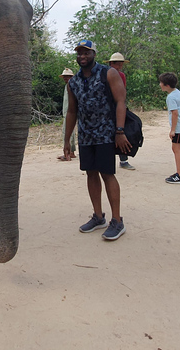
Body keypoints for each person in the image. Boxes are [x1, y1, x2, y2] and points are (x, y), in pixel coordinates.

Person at [64, 40, 132, 241]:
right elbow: (71, 111)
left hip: (106, 134)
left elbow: (121, 101)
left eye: (86, 52)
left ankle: (117, 221)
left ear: (93, 53)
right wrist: (67, 140)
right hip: (86, 136)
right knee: (90, 174)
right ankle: (98, 216)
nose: (82, 56)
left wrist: (119, 131)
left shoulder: (108, 73)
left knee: (107, 174)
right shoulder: (73, 82)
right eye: (79, 53)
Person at [159, 72, 180, 184]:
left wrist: (173, 129)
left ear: (167, 85)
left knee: (176, 149)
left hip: (178, 126)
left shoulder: (171, 97)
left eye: (161, 83)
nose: (160, 85)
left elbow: (175, 113)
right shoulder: (177, 92)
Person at [108, 52, 135, 171]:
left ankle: (123, 160)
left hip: (117, 106)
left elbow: (122, 94)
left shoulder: (121, 76)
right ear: (111, 64)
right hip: (107, 107)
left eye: (120, 65)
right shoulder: (105, 74)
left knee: (122, 130)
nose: (119, 67)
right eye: (117, 64)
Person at [56, 68, 77, 161]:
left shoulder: (72, 85)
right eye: (64, 77)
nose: (65, 78)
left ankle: (69, 153)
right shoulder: (68, 86)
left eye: (67, 76)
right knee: (69, 132)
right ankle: (71, 152)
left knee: (68, 132)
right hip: (67, 112)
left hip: (71, 112)